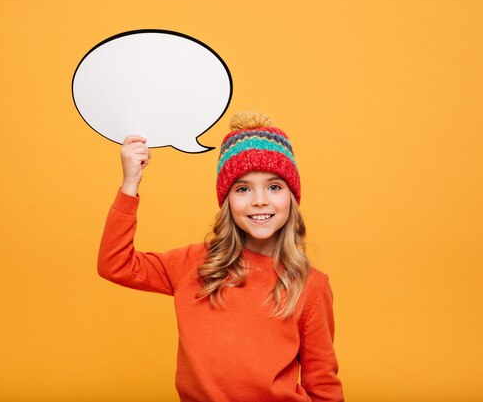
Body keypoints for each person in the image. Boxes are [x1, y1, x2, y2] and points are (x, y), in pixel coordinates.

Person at [98, 112, 344, 402]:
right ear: (226, 201)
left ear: (292, 196)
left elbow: (323, 385)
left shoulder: (311, 285)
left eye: (274, 187)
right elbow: (115, 264)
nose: (259, 200)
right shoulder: (191, 265)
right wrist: (130, 184)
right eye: (242, 188)